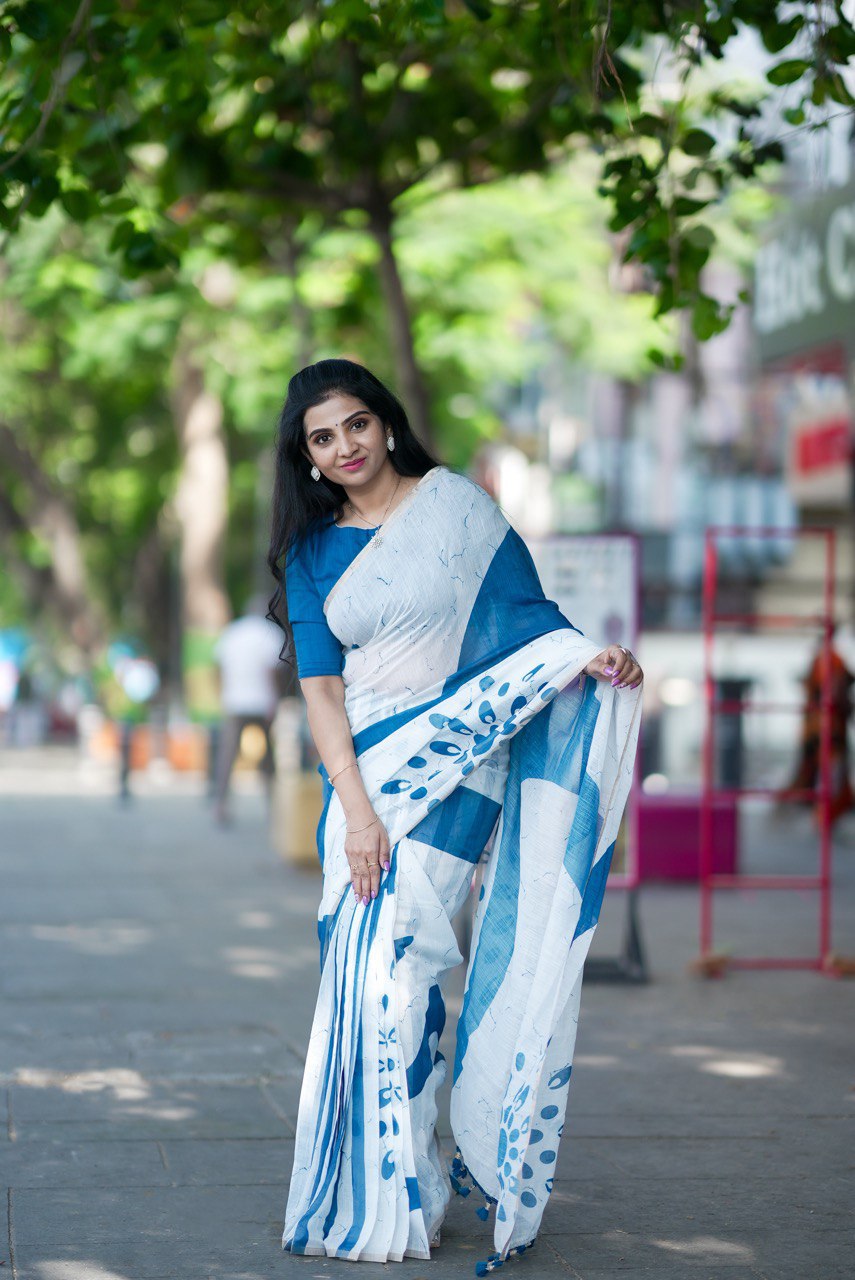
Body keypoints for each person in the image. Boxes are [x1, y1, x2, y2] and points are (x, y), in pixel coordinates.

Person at [267, 359, 644, 1274]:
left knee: (406, 968)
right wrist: (357, 813)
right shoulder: (312, 554)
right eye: (323, 437)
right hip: (364, 784)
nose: (344, 447)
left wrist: (591, 661)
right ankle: (394, 1186)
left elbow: (528, 625)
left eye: (356, 424)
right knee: (367, 983)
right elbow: (322, 693)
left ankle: (412, 1189)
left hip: (458, 770)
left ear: (385, 422)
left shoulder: (458, 510)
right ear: (307, 456)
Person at [212, 593, 285, 826]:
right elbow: (272, 671)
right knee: (267, 756)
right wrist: (275, 700)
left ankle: (220, 805)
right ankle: (273, 807)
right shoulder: (270, 633)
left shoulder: (232, 632)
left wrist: (222, 693)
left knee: (227, 755)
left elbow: (218, 666)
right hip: (262, 701)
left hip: (234, 701)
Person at [778, 626, 854, 825]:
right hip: (827, 728)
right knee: (830, 772)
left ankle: (825, 814)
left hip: (819, 727)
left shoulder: (825, 659)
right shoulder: (831, 660)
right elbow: (836, 692)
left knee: (824, 771)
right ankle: (824, 815)